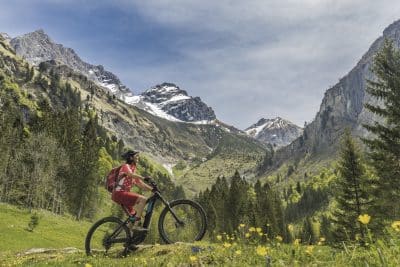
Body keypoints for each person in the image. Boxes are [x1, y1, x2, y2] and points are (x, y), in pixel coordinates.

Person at [111, 150, 153, 230]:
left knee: (133, 215)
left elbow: (140, 184)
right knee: (143, 200)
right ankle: (136, 225)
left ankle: (128, 237)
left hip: (123, 194)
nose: (138, 158)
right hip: (119, 193)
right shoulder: (126, 166)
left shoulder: (133, 169)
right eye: (136, 156)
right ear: (131, 157)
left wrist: (152, 189)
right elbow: (131, 175)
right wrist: (144, 178)